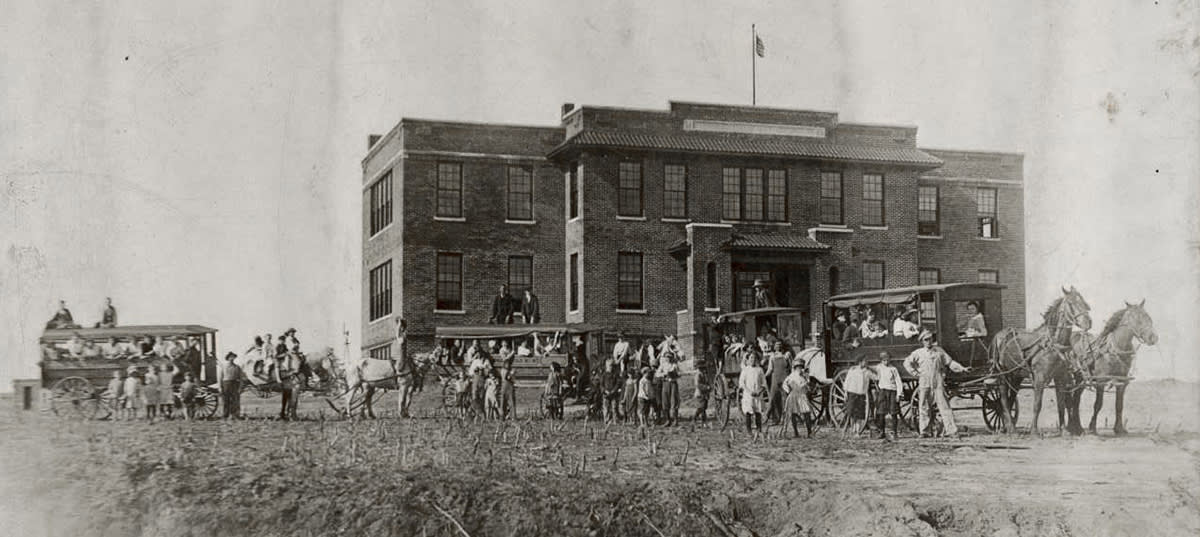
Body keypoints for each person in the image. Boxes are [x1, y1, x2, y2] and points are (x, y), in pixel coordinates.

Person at [904, 330, 968, 437]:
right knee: (924, 406)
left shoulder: (939, 351)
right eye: (926, 340)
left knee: (944, 406)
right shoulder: (918, 353)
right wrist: (915, 373)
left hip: (938, 381)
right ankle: (924, 431)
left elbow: (950, 363)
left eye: (930, 339)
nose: (929, 341)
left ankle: (951, 431)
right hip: (924, 381)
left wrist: (962, 369)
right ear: (922, 341)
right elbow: (906, 363)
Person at [841, 356, 877, 438]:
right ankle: (846, 430)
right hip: (852, 394)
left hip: (861, 395)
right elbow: (847, 381)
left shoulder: (867, 372)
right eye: (865, 361)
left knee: (860, 415)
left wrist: (873, 369)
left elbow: (876, 377)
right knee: (850, 413)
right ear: (860, 362)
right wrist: (845, 393)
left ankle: (857, 432)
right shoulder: (853, 370)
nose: (867, 362)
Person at [874, 352, 903, 440]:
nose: (886, 362)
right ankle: (882, 432)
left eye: (887, 360)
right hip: (883, 391)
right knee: (881, 412)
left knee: (894, 413)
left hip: (892, 391)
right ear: (881, 361)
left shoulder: (893, 369)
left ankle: (894, 433)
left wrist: (899, 394)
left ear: (890, 360)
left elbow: (898, 381)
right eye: (884, 360)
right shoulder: (878, 367)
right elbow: (871, 370)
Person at [782, 361, 814, 438]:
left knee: (807, 412)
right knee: (792, 413)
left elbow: (806, 387)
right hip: (794, 395)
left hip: (802, 395)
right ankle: (795, 432)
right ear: (795, 368)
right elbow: (784, 384)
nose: (800, 369)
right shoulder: (792, 376)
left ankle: (809, 432)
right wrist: (788, 390)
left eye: (801, 367)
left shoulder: (803, 376)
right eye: (799, 367)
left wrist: (808, 388)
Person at [738, 354, 767, 435]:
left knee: (758, 412)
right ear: (748, 360)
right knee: (748, 412)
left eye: (754, 358)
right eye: (751, 358)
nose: (753, 360)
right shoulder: (745, 370)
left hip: (758, 394)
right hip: (748, 394)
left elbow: (764, 383)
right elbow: (742, 383)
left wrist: (759, 391)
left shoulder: (760, 370)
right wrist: (749, 391)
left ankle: (759, 429)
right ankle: (749, 430)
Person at [765, 341, 792, 423]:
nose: (778, 346)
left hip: (785, 379)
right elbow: (770, 369)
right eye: (776, 345)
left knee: (785, 399)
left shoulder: (787, 355)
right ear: (774, 347)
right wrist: (764, 376)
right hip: (775, 379)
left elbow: (791, 367)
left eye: (780, 345)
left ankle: (786, 418)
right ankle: (770, 417)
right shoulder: (772, 356)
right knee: (773, 398)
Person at [276, 346, 302, 420]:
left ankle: (287, 414)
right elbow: (295, 369)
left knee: (288, 398)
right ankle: (290, 414)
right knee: (292, 398)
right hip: (289, 380)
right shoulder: (290, 357)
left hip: (289, 379)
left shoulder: (289, 357)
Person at [656, 351, 681, 426]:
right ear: (665, 358)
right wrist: (663, 374)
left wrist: (675, 374)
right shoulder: (663, 365)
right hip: (665, 383)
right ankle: (667, 420)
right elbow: (657, 374)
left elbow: (680, 374)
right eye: (667, 357)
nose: (668, 359)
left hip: (673, 383)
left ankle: (675, 420)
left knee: (674, 401)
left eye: (670, 357)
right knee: (665, 401)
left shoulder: (674, 365)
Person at [217, 352, 243, 419]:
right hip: (226, 384)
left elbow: (241, 378)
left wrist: (240, 387)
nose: (232, 358)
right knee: (226, 400)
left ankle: (235, 415)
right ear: (228, 358)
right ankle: (225, 415)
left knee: (235, 400)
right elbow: (220, 377)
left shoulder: (237, 367)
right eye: (230, 357)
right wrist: (220, 387)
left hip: (235, 384)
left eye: (233, 357)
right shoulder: (224, 367)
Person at [600, 359, 622, 423]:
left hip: (613, 393)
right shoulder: (604, 375)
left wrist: (614, 390)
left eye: (612, 366)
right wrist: (604, 390)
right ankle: (606, 420)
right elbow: (601, 384)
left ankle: (615, 420)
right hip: (606, 394)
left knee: (614, 407)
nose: (611, 367)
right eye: (609, 366)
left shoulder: (615, 374)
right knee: (606, 408)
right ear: (606, 366)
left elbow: (617, 383)